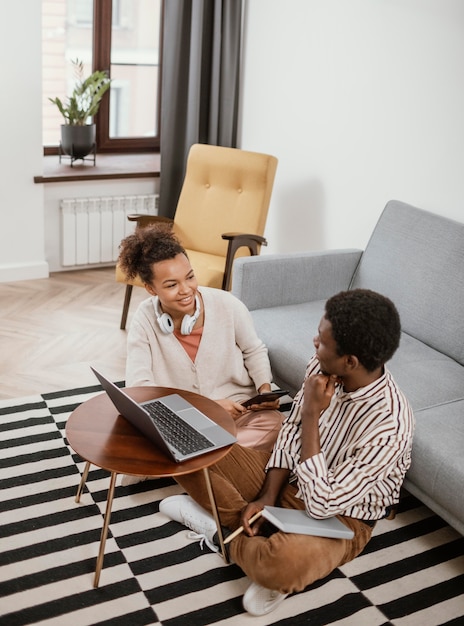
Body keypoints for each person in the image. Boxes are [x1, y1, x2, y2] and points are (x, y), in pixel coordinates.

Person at [159, 289, 415, 617]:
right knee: (185, 444)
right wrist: (267, 495)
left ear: (350, 361)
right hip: (287, 476)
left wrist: (311, 414)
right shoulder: (322, 367)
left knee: (281, 564)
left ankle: (218, 528)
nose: (313, 343)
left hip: (342, 516)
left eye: (321, 342)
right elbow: (289, 432)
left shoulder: (391, 424)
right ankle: (246, 526)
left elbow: (323, 503)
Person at [118, 224, 284, 483]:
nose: (186, 290)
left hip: (239, 413)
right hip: (181, 419)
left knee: (276, 425)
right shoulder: (144, 319)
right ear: (151, 289)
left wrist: (264, 391)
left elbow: (254, 350)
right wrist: (206, 408)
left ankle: (190, 466)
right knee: (128, 436)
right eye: (171, 285)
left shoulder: (228, 305)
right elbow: (140, 388)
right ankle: (216, 465)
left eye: (190, 277)